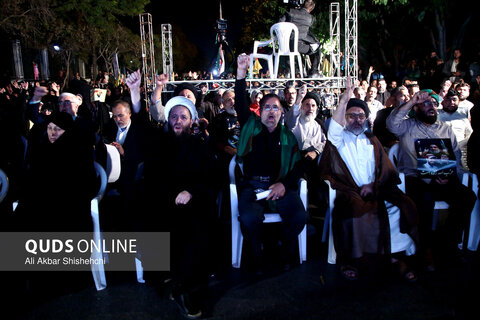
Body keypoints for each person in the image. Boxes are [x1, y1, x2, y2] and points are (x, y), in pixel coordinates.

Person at [319, 79, 419, 281]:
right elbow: (334, 128)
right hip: (350, 192)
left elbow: (385, 170)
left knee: (405, 205)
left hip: (376, 190)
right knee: (357, 212)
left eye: (360, 116)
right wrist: (346, 96)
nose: (356, 120)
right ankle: (354, 261)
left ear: (366, 119)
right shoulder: (339, 139)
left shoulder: (371, 140)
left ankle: (392, 256)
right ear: (344, 119)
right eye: (351, 116)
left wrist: (373, 186)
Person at [140, 95, 217, 319]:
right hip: (163, 203)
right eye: (173, 116)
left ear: (191, 121)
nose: (178, 121)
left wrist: (191, 191)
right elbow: (152, 178)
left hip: (194, 203)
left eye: (183, 117)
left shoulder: (200, 146)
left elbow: (210, 180)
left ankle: (183, 289)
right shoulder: (159, 145)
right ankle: (170, 278)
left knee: (197, 229)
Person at [386, 90, 477, 270]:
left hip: (442, 177)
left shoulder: (445, 128)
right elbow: (391, 124)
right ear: (417, 108)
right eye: (426, 104)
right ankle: (425, 248)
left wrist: (450, 175)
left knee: (468, 197)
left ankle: (449, 244)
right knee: (425, 199)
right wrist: (412, 101)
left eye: (434, 104)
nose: (432, 107)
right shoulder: (407, 126)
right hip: (415, 178)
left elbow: (456, 158)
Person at [234, 53, 307, 273]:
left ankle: (284, 252)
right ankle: (257, 254)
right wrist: (240, 74)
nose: (272, 112)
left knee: (299, 216)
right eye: (267, 107)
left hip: (279, 186)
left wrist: (284, 184)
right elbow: (240, 102)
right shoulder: (251, 127)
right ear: (260, 112)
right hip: (253, 187)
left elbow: (300, 166)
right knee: (248, 218)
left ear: (282, 113)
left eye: (276, 108)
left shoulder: (289, 137)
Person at [279, 0, 321, 77]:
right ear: (310, 10)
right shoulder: (310, 18)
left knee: (294, 49)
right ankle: (314, 72)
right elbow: (306, 33)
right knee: (317, 48)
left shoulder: (290, 12)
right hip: (299, 47)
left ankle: (289, 70)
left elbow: (280, 22)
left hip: (285, 45)